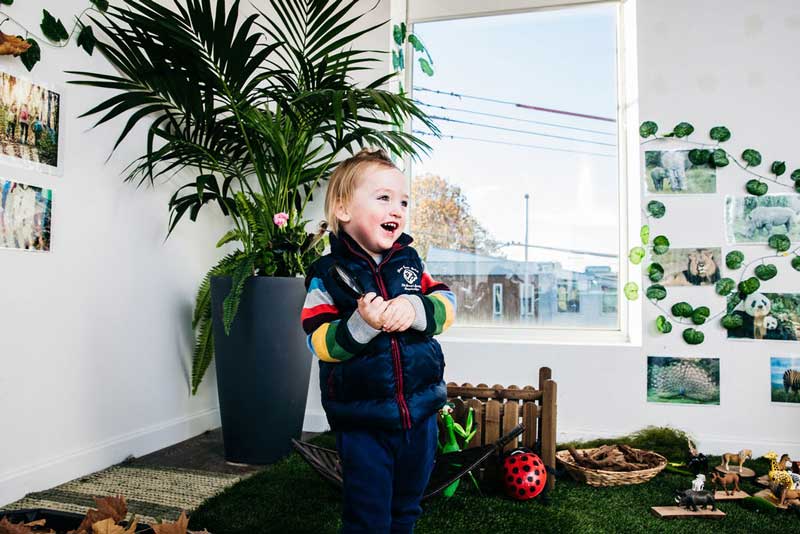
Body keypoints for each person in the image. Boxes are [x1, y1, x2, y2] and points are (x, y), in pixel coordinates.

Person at [300, 148, 456, 534]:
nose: (397, 209)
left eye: (403, 201)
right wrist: (361, 324)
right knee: (367, 517)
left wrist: (416, 307)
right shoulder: (327, 275)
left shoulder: (411, 264)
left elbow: (447, 305)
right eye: (383, 197)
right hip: (362, 423)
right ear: (343, 209)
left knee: (406, 509)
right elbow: (318, 341)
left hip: (420, 416)